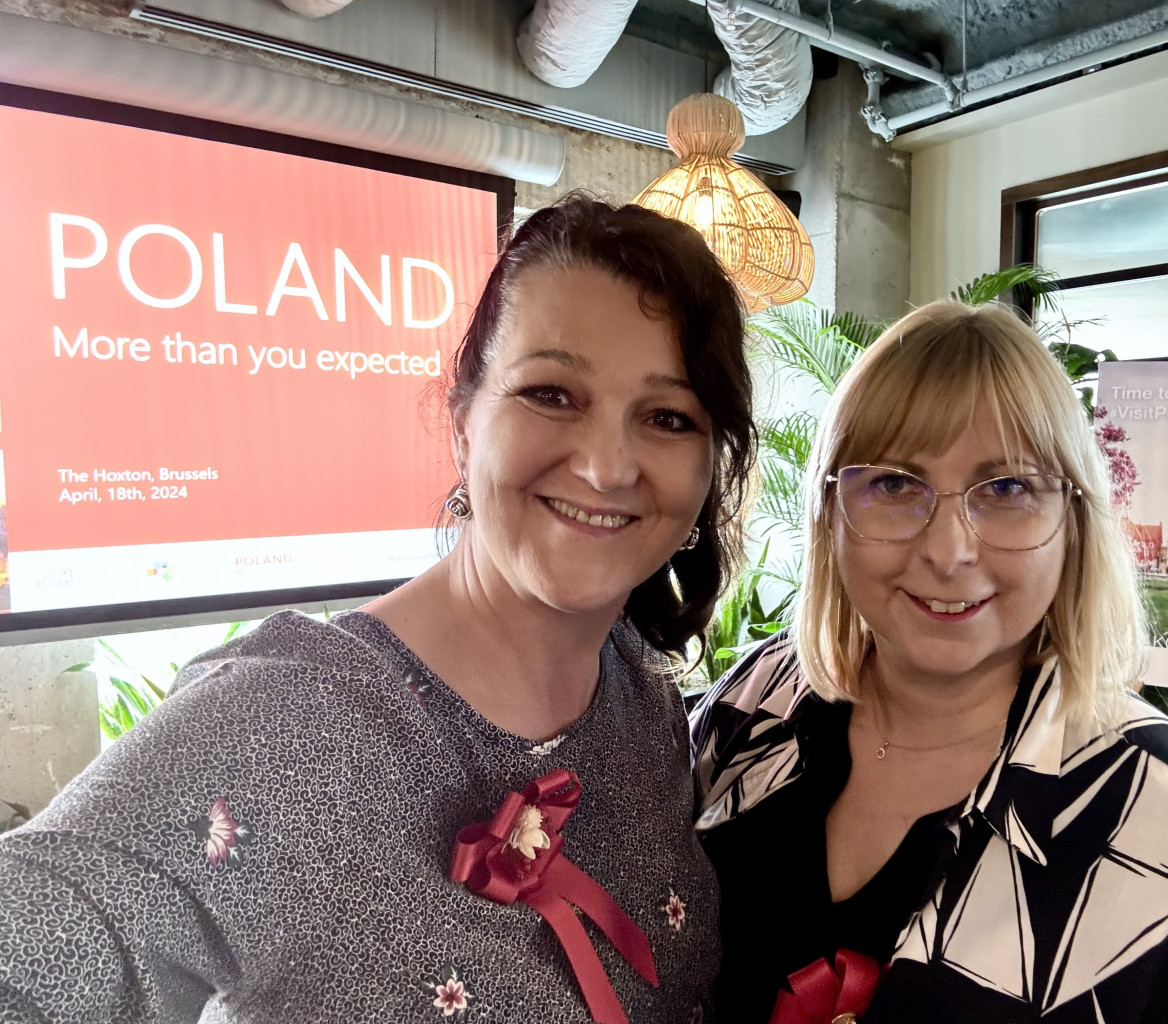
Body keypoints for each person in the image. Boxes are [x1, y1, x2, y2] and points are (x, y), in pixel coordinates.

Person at [0, 195, 756, 1024]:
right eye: (551, 393)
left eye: (667, 417)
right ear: (463, 425)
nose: (608, 467)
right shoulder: (280, 725)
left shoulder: (641, 700)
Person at [691, 300, 1168, 1024]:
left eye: (1006, 489)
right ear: (830, 511)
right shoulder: (757, 703)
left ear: (1073, 521)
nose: (947, 551)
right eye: (894, 484)